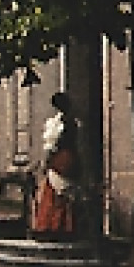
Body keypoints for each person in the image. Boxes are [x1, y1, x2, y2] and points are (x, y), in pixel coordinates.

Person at [31, 92, 79, 237]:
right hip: (69, 157)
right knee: (62, 193)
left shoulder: (59, 124)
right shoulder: (72, 122)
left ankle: (52, 226)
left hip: (61, 158)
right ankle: (63, 226)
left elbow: (53, 145)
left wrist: (48, 160)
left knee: (55, 193)